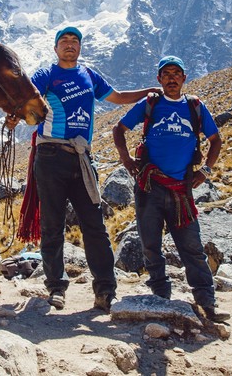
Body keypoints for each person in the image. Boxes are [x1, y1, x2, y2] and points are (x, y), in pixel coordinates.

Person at [9, 26, 161, 313]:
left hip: (82, 158)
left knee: (95, 226)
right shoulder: (46, 76)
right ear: (56, 48)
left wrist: (148, 92)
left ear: (79, 48)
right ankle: (56, 288)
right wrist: (15, 116)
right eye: (64, 41)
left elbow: (115, 96)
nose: (69, 45)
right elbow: (25, 99)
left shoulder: (89, 75)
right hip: (50, 155)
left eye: (74, 41)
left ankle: (105, 290)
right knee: (52, 225)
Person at [111, 55, 230, 322]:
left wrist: (206, 171)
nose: (172, 78)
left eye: (177, 73)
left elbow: (215, 140)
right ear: (159, 80)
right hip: (149, 186)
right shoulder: (150, 104)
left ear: (184, 78)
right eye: (166, 74)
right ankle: (160, 295)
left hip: (181, 189)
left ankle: (206, 302)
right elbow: (119, 129)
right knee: (150, 244)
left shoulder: (196, 106)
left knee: (191, 246)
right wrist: (126, 160)